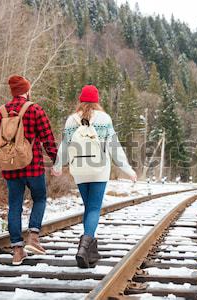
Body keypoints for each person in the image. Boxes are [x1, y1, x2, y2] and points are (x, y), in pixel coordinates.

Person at [52, 85, 136, 268]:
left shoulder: (71, 121)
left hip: (79, 170)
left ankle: (90, 250)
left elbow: (65, 146)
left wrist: (58, 165)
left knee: (88, 207)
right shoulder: (104, 119)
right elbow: (114, 147)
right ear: (97, 101)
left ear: (80, 101)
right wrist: (127, 169)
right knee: (94, 208)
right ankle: (84, 247)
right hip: (99, 169)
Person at [0, 75, 57, 265]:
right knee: (39, 198)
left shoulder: (0, 113)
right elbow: (48, 138)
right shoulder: (34, 109)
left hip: (10, 167)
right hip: (33, 165)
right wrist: (56, 160)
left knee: (14, 205)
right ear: (27, 91)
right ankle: (34, 238)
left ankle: (17, 251)